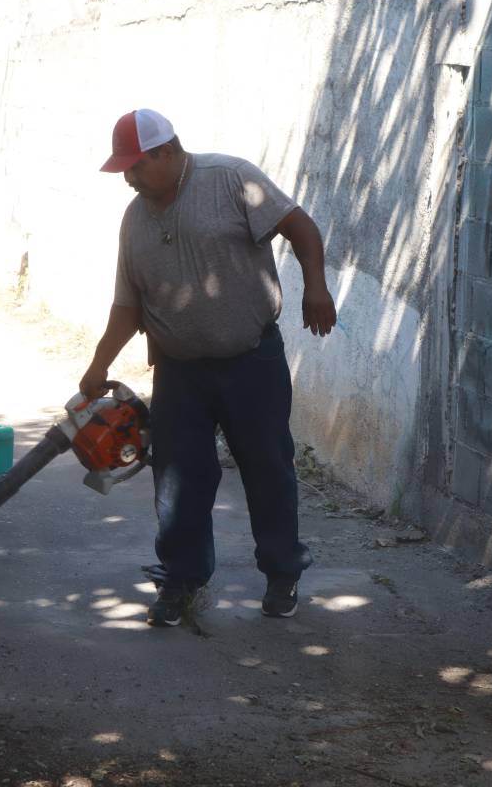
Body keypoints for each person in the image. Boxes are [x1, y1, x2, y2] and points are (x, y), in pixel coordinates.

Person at [79, 109, 337, 627]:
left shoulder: (230, 179)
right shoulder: (134, 219)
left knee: (268, 469)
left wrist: (315, 285)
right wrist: (97, 366)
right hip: (179, 373)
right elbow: (128, 307)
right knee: (177, 480)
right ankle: (179, 582)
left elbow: (299, 226)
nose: (129, 177)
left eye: (136, 166)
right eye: (125, 169)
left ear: (168, 152)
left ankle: (282, 574)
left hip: (251, 361)